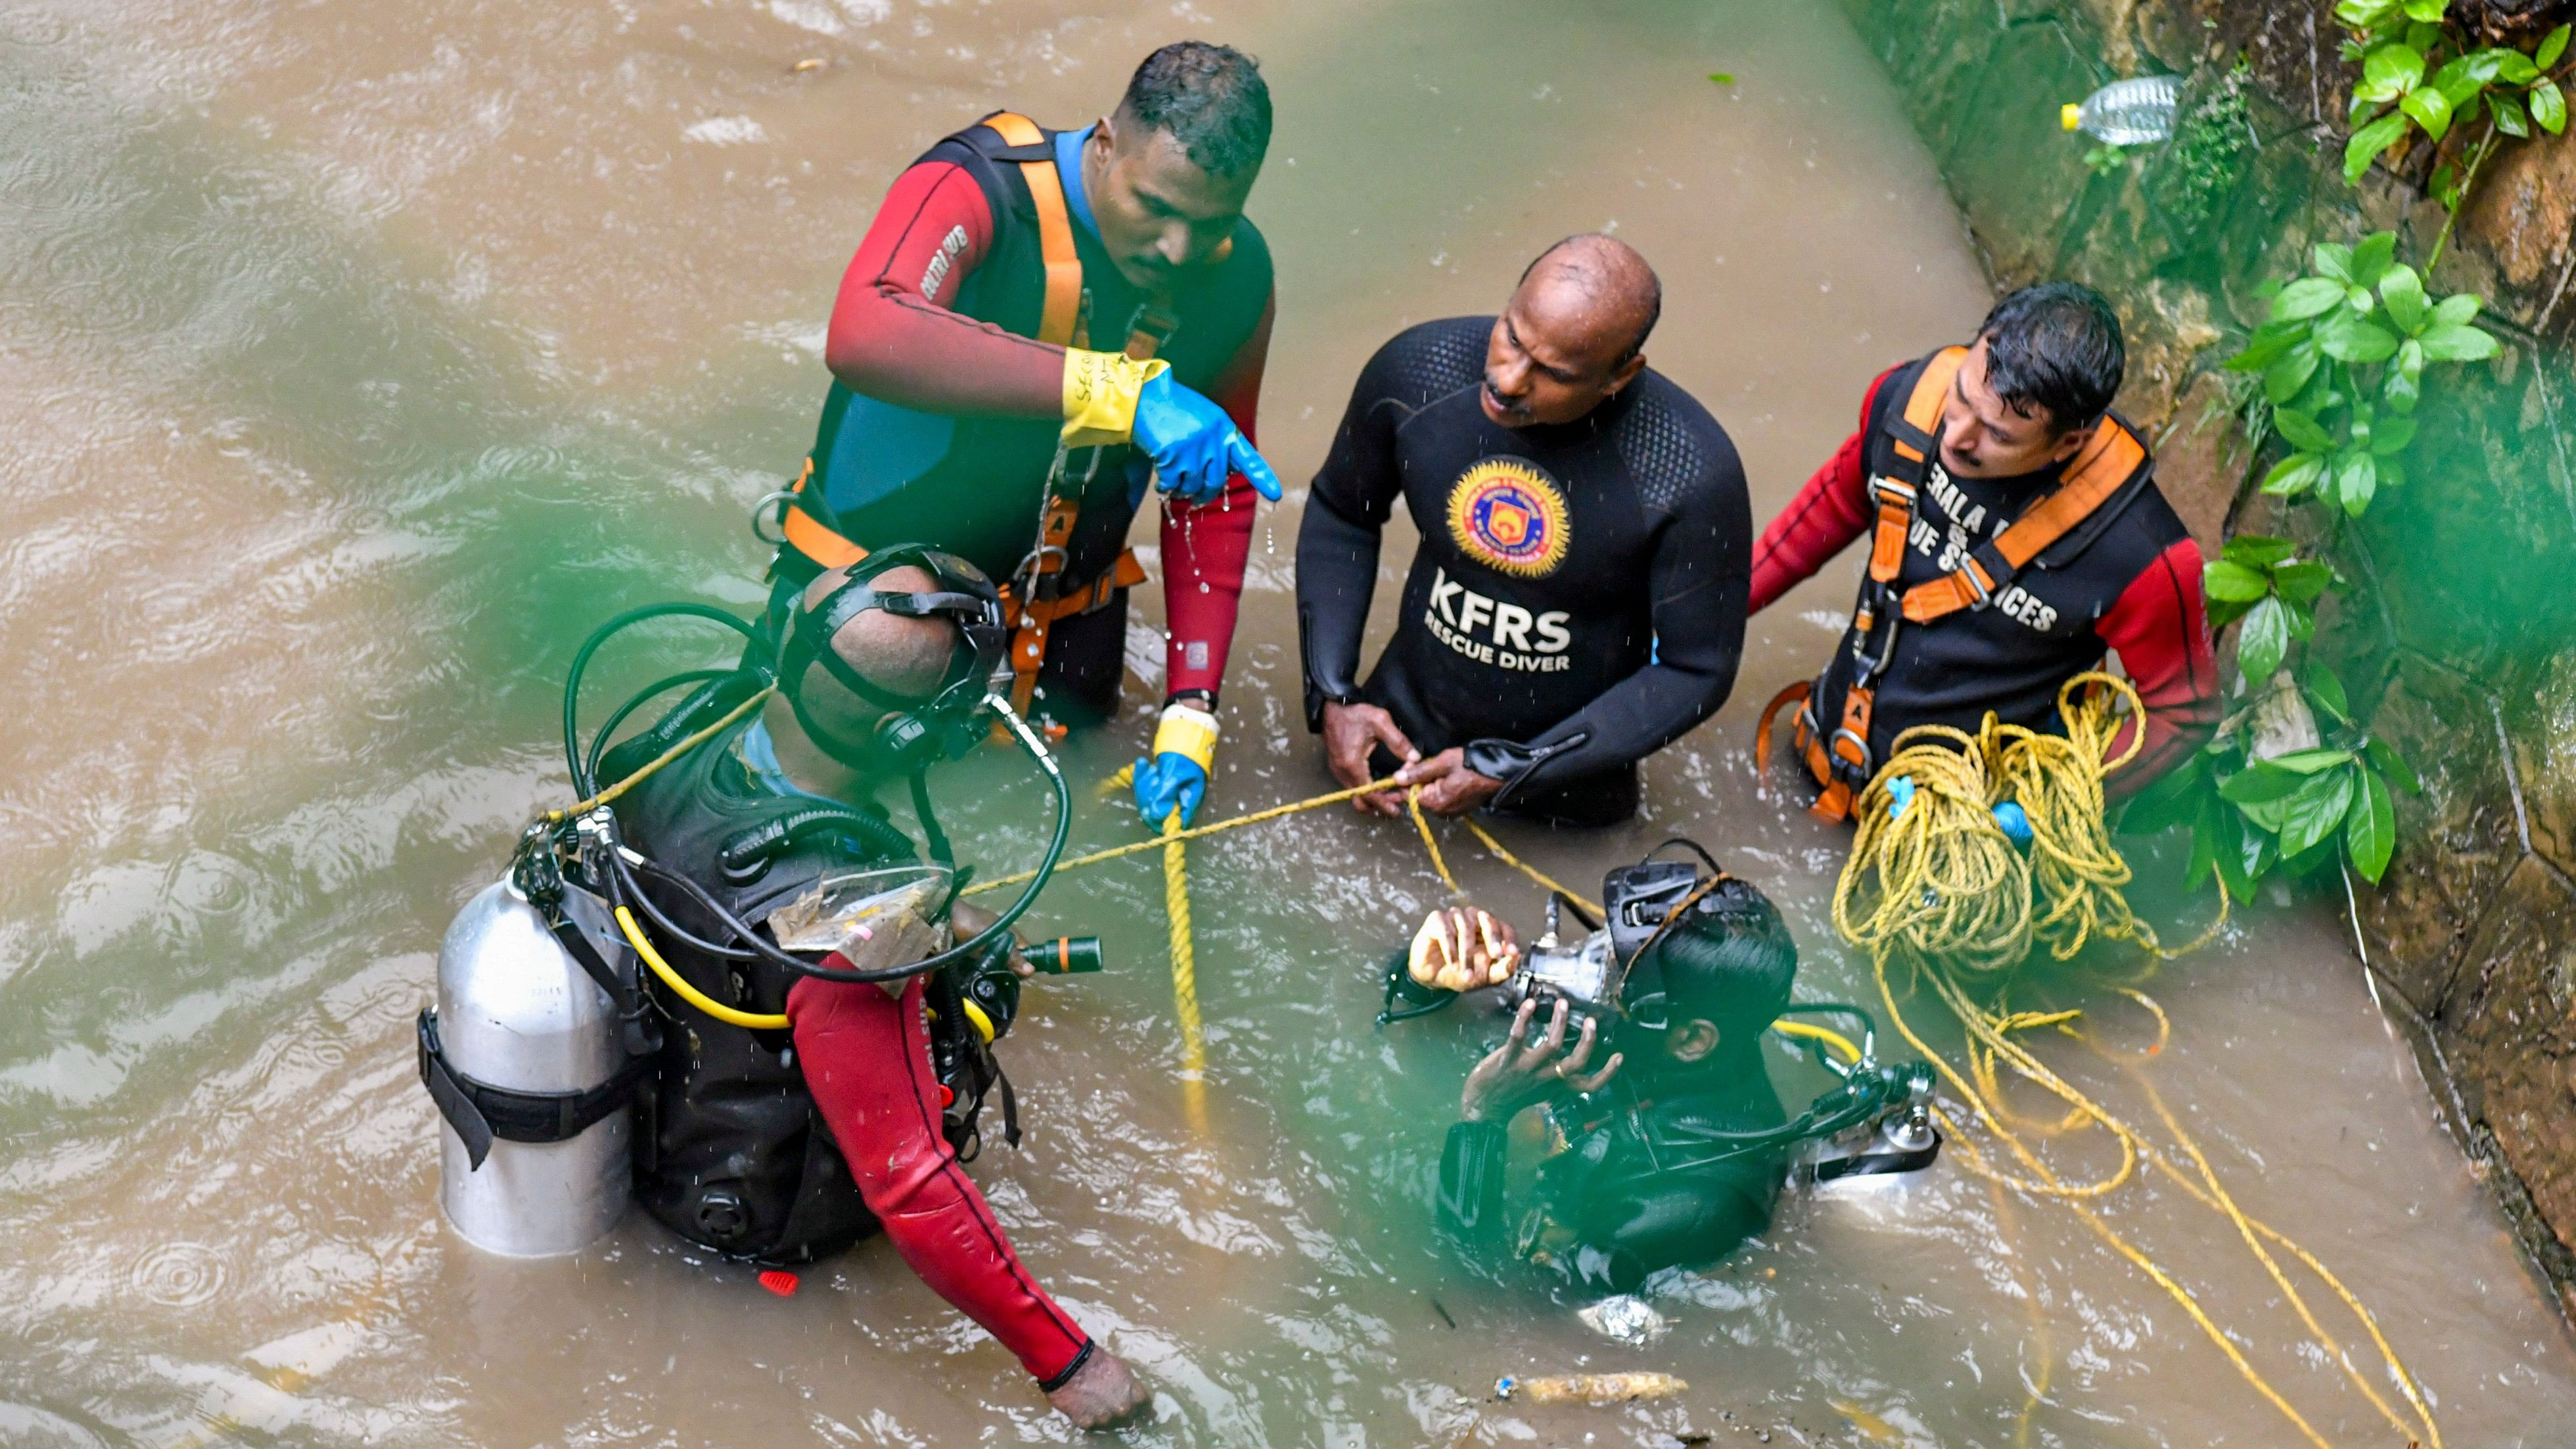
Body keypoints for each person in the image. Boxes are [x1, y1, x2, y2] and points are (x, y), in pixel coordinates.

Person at [600, 549, 1149, 1428]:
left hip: (658, 1132)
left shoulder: (692, 730)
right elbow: (912, 1184)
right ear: (914, 740)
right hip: (753, 1238)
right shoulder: (857, 933)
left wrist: (951, 919)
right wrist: (1075, 1365)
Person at [761, 40, 1284, 835]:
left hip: (1065, 628)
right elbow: (866, 329)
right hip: (872, 625)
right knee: (773, 833)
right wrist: (1116, 389)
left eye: (1209, 222)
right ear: (1105, 144)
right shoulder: (976, 186)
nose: (1176, 249)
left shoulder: (1239, 274)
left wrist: (1190, 706)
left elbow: (1218, 484)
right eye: (1154, 207)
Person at [1295, 235, 1751, 829]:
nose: (1509, 380)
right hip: (1389, 748)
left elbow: (1697, 670)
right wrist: (1333, 696)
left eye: (1554, 373)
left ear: (1620, 375)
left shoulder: (1686, 470)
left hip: (1563, 799)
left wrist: (1517, 768)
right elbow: (1342, 511)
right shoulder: (1416, 374)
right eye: (1512, 336)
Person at [1751, 283, 2217, 823]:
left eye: (1997, 434)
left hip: (1961, 838)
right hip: (1825, 753)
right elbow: (1836, 503)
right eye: (1963, 397)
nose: (1956, 438)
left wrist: (2034, 815)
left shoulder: (2142, 555)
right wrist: (1710, 607)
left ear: (2069, 443)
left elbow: (2183, 713)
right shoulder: (1911, 403)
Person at [1426, 877, 1799, 1291]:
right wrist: (1423, 982)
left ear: (1692, 1040)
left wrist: (1483, 1117)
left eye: (1614, 979)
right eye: (1606, 948)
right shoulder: (1657, 1029)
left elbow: (1484, 1287)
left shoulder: (1688, 1205)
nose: (1586, 973)